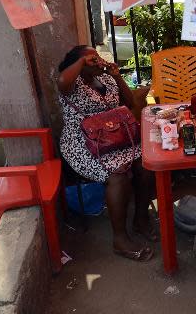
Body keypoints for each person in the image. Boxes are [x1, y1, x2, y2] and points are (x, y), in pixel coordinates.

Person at [58, 45, 156, 262]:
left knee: (147, 165)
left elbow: (130, 103)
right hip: (82, 145)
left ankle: (140, 219)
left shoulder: (107, 81)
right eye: (89, 58)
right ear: (78, 63)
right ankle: (120, 239)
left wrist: (116, 76)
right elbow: (62, 82)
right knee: (117, 175)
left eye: (97, 56)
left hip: (115, 138)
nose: (97, 60)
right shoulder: (72, 85)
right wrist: (82, 63)